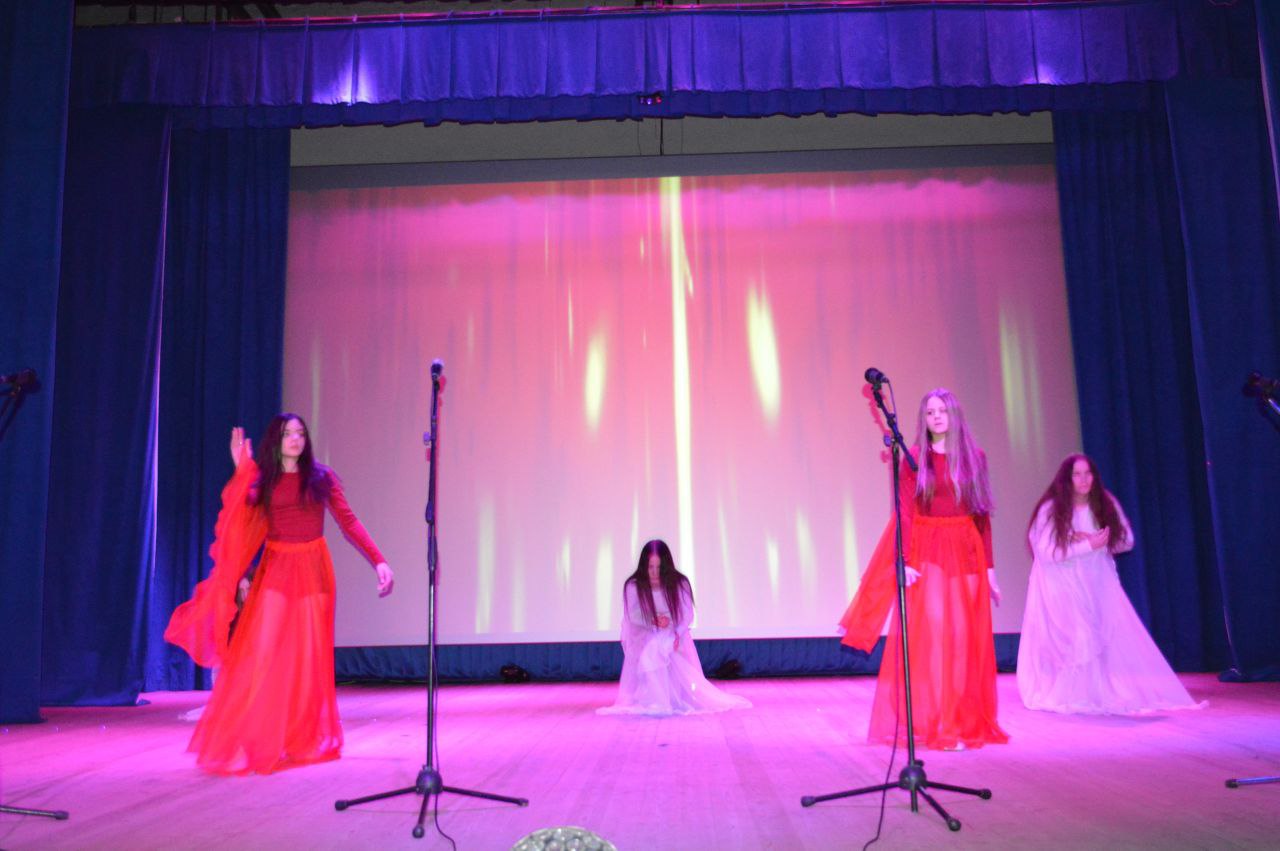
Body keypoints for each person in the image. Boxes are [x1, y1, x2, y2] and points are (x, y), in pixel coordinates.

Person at [165, 414, 394, 774]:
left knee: (307, 658)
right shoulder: (264, 481)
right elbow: (240, 529)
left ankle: (299, 738)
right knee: (261, 654)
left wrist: (378, 560)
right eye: (288, 434)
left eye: (301, 433)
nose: (296, 439)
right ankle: (249, 736)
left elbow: (348, 522)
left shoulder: (321, 478)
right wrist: (241, 471)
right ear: (277, 440)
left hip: (314, 570)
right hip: (276, 569)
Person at [838, 388, 1007, 750]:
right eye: (930, 412)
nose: (936, 417)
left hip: (966, 549)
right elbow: (906, 512)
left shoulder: (974, 457)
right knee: (935, 638)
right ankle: (941, 722)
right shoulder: (915, 459)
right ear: (923, 419)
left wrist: (990, 568)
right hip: (929, 548)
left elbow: (981, 515)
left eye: (942, 410)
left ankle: (959, 719)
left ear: (954, 414)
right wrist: (905, 560)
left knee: (961, 641)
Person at [1017, 454, 1202, 714]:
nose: (1083, 480)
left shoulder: (1105, 503)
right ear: (1066, 479)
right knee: (1079, 637)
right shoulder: (1052, 509)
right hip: (1061, 584)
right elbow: (1046, 553)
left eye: (1088, 473)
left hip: (1095, 581)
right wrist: (1084, 544)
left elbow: (1126, 540)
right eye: (1077, 474)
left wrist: (1099, 540)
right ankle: (1072, 694)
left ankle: (1092, 692)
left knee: (1095, 637)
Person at [598, 540, 750, 716]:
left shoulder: (679, 583)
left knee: (660, 651)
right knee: (652, 653)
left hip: (674, 632)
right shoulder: (633, 585)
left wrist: (676, 633)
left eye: (659, 567)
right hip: (646, 633)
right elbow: (632, 615)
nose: (654, 572)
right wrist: (654, 621)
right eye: (650, 567)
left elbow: (687, 614)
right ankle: (656, 700)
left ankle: (666, 701)